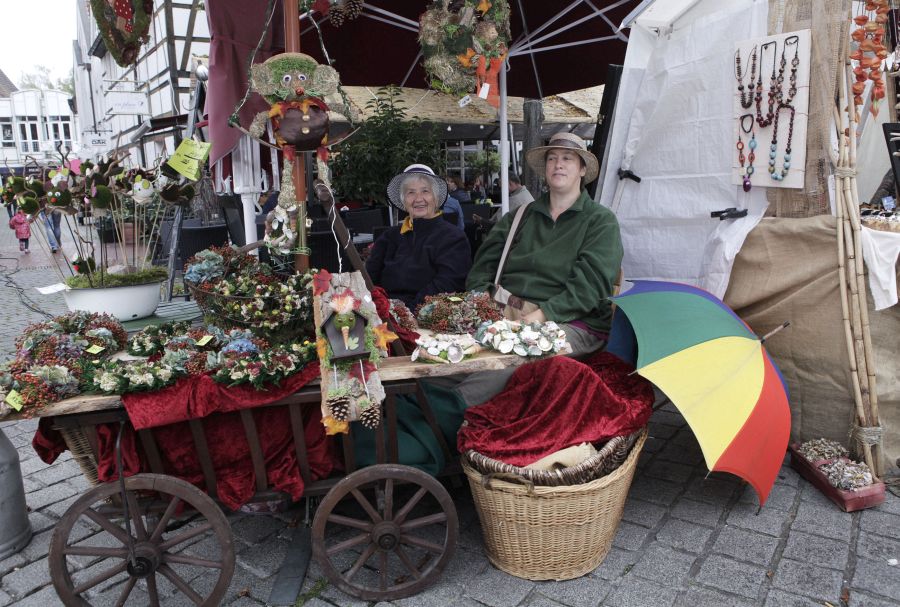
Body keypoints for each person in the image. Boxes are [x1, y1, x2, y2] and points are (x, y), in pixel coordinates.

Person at [458, 132, 623, 406]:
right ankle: (419, 401)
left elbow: (588, 289)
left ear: (582, 169)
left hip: (570, 322)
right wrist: (482, 306)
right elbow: (481, 269)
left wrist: (535, 318)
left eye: (568, 159)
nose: (558, 164)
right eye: (552, 158)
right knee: (452, 355)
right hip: (507, 311)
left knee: (516, 355)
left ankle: (447, 410)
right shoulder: (519, 216)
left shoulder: (600, 221)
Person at [366, 164, 471, 309]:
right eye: (411, 193)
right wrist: (380, 308)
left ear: (436, 198)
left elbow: (448, 283)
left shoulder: (453, 237)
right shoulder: (389, 236)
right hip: (385, 311)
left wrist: (407, 311)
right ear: (404, 201)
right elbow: (369, 279)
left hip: (427, 313)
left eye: (425, 191)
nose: (418, 199)